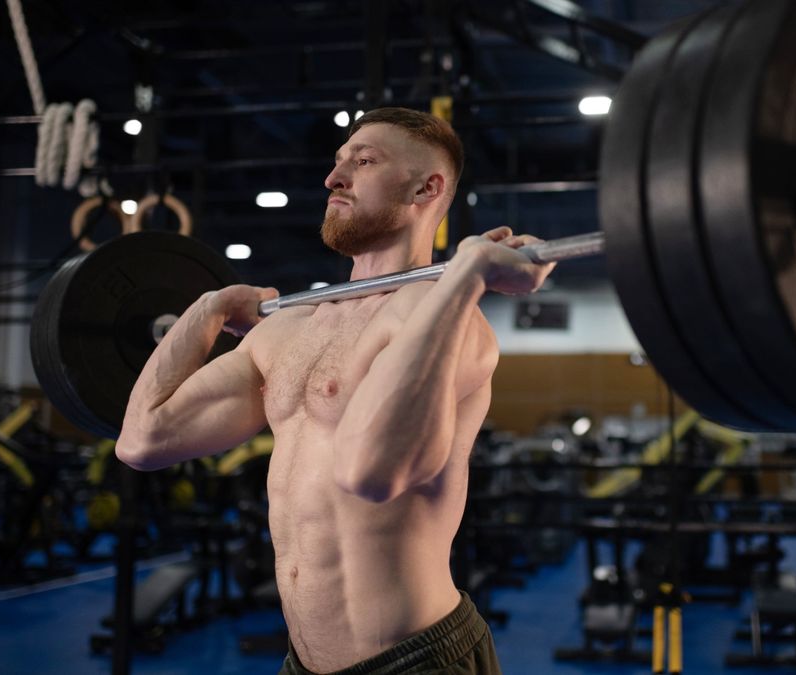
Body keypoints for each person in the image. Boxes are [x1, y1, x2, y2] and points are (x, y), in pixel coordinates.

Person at [116, 107, 556, 674]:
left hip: (415, 661)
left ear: (428, 187)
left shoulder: (449, 321)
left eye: (364, 160)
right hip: (303, 663)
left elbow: (372, 473)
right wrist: (210, 308)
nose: (333, 178)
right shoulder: (289, 330)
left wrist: (464, 280)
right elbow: (143, 439)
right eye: (337, 161)